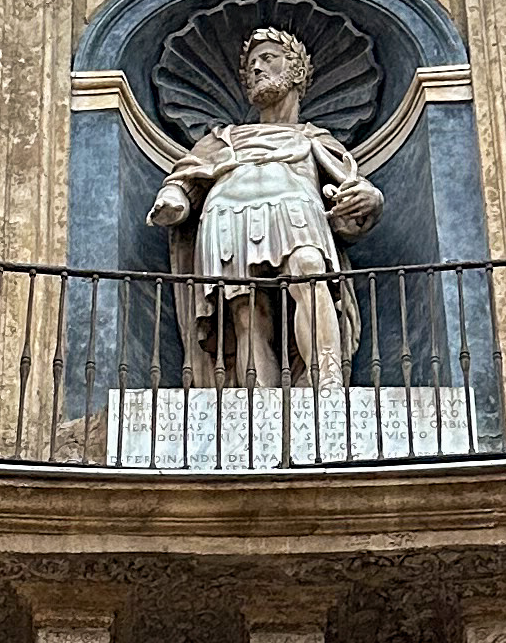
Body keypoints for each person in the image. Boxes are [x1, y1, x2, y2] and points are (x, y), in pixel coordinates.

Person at [150, 28, 381, 388]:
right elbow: (185, 178)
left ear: (296, 71)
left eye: (268, 58)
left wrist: (370, 200)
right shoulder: (222, 137)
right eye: (252, 64)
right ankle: (258, 398)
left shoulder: (313, 138)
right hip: (227, 216)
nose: (257, 68)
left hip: (295, 212)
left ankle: (328, 377)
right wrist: (174, 200)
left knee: (309, 269)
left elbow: (353, 190)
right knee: (246, 310)